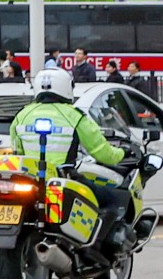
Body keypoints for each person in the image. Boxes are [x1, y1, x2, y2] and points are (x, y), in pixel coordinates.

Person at [9, 68, 130, 253]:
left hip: (30, 181)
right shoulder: (74, 115)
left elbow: (17, 151)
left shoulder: (21, 115)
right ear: (67, 88)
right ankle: (94, 248)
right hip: (65, 180)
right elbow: (103, 154)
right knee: (112, 201)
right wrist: (123, 153)